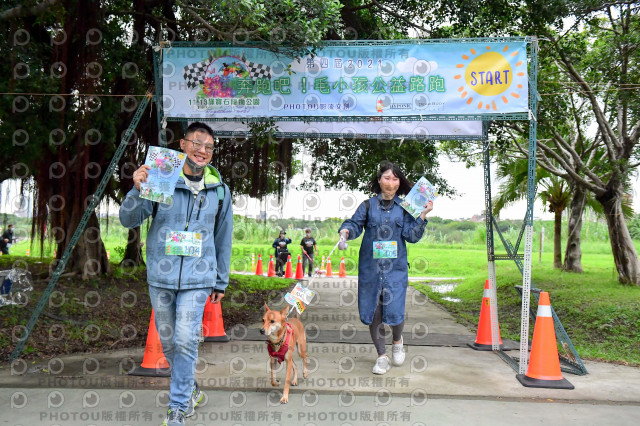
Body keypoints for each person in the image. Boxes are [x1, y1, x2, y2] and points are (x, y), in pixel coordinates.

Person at [119, 122, 233, 426]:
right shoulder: (162, 176)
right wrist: (136, 189)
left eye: (209, 147)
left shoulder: (219, 189)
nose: (203, 151)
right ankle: (191, 388)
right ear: (182, 145)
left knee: (185, 339)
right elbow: (128, 219)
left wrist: (220, 280)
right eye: (197, 143)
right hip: (162, 275)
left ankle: (178, 405)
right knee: (170, 342)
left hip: (199, 277)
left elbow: (223, 236)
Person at [338, 161, 433, 375]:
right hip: (371, 269)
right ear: (379, 180)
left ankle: (397, 340)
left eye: (395, 178)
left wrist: (423, 215)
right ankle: (381, 357)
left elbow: (411, 236)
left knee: (396, 310)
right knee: (374, 312)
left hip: (396, 270)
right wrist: (345, 232)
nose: (391, 182)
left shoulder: (406, 208)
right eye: (387, 178)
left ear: (400, 183)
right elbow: (354, 224)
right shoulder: (367, 206)